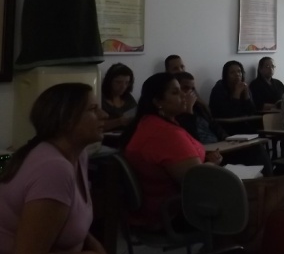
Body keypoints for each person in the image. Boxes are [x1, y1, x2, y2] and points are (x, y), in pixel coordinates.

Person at [0, 83, 109, 254]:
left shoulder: (79, 155)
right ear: (66, 121)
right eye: (93, 109)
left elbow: (73, 222)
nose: (104, 115)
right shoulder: (54, 169)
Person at [122, 72, 224, 230]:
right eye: (176, 92)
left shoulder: (149, 122)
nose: (184, 96)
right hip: (174, 213)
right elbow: (197, 181)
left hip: (160, 208)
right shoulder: (165, 134)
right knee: (253, 197)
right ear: (158, 102)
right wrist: (212, 164)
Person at [174, 71, 272, 174]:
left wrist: (227, 139)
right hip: (205, 152)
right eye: (185, 88)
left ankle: (269, 180)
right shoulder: (176, 114)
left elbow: (214, 125)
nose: (190, 92)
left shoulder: (199, 107)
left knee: (256, 149)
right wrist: (188, 111)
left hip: (219, 146)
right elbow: (190, 139)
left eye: (192, 89)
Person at [209, 61, 257, 134]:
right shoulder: (219, 89)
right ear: (226, 76)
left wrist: (246, 94)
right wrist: (237, 93)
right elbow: (230, 114)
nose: (237, 74)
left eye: (239, 71)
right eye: (232, 72)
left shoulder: (243, 87)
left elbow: (251, 112)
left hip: (242, 124)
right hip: (225, 127)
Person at [100, 62, 137, 132]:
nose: (123, 87)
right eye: (118, 82)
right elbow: (95, 125)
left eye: (127, 83)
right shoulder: (100, 98)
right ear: (109, 82)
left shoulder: (128, 97)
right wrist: (119, 121)